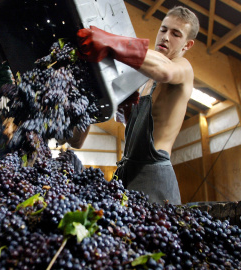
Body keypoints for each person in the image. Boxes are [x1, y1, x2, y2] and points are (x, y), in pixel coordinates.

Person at [73, 6, 199, 204]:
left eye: (176, 34)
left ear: (187, 44)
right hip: (126, 172)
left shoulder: (183, 68)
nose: (166, 37)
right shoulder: (141, 81)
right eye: (163, 29)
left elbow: (164, 71)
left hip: (154, 175)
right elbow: (76, 142)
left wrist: (108, 42)